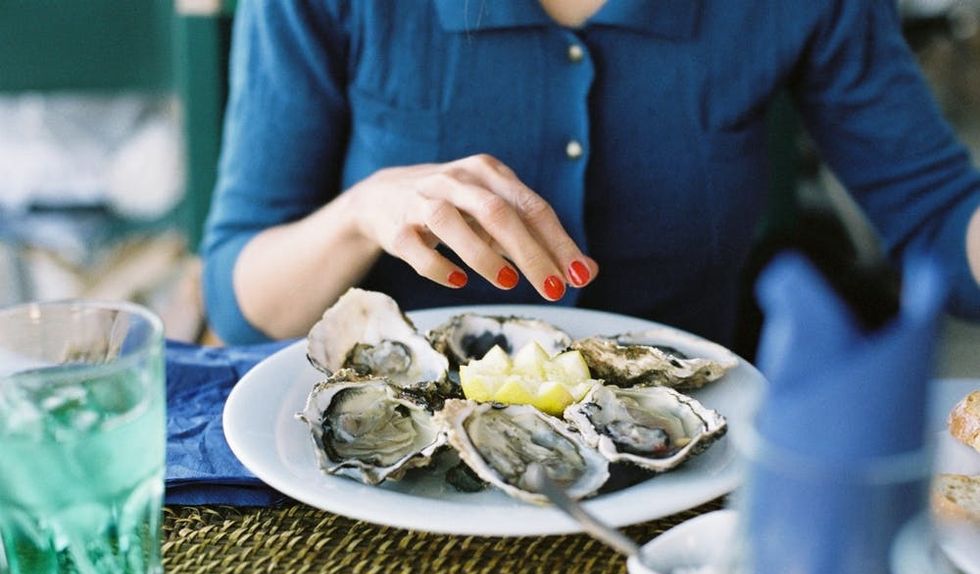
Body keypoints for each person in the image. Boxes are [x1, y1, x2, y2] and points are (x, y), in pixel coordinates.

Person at [202, 0, 980, 348]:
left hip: (678, 493)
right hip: (381, 491)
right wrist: (360, 212)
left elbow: (940, 222)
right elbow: (242, 303)